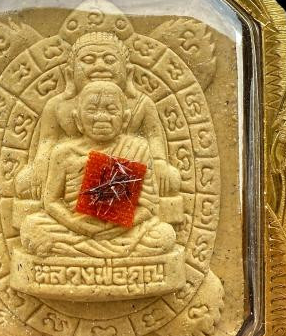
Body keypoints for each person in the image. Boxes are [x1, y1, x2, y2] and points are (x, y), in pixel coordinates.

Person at [16, 27, 179, 199]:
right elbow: (47, 140)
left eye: (109, 60)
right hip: (74, 168)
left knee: (172, 180)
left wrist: (159, 161)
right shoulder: (58, 105)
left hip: (123, 170)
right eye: (88, 60)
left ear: (128, 72)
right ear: (70, 73)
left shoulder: (141, 103)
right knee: (23, 183)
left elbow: (153, 135)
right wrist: (41, 162)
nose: (100, 66)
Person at [20, 81, 176, 259]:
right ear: (78, 120)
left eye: (111, 110)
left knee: (163, 235)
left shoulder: (137, 148)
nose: (102, 116)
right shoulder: (63, 153)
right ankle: (101, 251)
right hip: (73, 226)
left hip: (124, 231)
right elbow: (51, 202)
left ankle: (79, 251)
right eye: (92, 110)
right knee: (33, 227)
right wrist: (76, 224)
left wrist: (120, 226)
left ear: (125, 119)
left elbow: (149, 206)